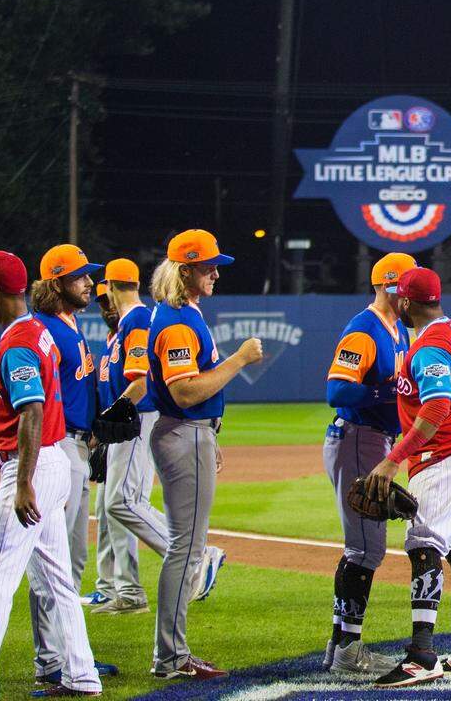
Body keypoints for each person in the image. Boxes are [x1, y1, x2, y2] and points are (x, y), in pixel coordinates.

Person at [0, 251, 104, 699]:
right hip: (53, 463)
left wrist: (22, 483)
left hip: (31, 466)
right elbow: (22, 405)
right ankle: (82, 675)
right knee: (56, 580)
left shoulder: (18, 341)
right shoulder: (37, 330)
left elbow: (32, 410)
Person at [362, 267, 451, 687]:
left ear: (406, 302)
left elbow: (435, 408)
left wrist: (393, 459)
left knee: (424, 545)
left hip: (444, 455)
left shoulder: (430, 347)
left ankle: (421, 655)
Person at [145, 229, 263, 680]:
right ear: (186, 269)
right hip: (183, 431)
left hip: (191, 433)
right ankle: (171, 657)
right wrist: (238, 359)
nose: (216, 272)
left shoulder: (182, 313)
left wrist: (211, 434)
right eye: (208, 265)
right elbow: (186, 391)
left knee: (186, 548)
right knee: (187, 551)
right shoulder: (176, 321)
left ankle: (170, 654)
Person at [94, 259, 226, 617]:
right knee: (109, 505)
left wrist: (118, 411)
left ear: (108, 287)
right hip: (138, 421)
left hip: (143, 418)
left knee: (122, 501)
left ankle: (196, 561)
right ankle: (120, 588)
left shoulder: (139, 319)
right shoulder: (130, 323)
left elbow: (142, 381)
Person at [321, 252, 416, 674]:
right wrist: (385, 395)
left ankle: (338, 644)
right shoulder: (364, 330)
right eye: (402, 287)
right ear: (384, 286)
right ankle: (348, 651)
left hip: (373, 439)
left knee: (361, 547)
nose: (407, 294)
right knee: (366, 548)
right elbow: (338, 391)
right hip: (358, 438)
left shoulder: (399, 330)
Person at [30, 244, 113, 682]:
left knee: (73, 560)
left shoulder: (69, 323)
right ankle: (50, 663)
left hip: (78, 446)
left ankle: (71, 654)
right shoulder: (43, 330)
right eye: (81, 276)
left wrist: (96, 428)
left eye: (89, 275)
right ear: (56, 283)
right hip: (58, 447)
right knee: (51, 560)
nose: (89, 282)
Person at [86, 281, 135, 613]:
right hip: (105, 436)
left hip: (122, 433)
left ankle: (128, 589)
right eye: (101, 302)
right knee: (104, 511)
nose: (107, 307)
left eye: (110, 300)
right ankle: (107, 587)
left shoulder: (130, 336)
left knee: (119, 506)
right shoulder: (110, 341)